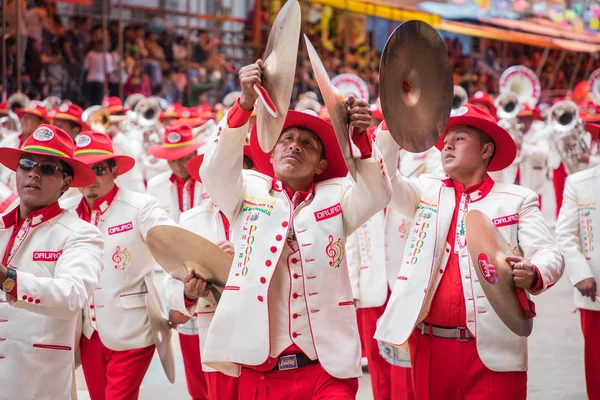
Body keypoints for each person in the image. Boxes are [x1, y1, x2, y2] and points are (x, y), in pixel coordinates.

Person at [194, 60, 391, 398]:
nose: (295, 145)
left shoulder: (338, 197)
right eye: (286, 139)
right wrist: (243, 104)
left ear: (322, 165)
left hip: (326, 370)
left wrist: (360, 137)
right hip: (262, 370)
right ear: (270, 156)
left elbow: (377, 193)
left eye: (307, 144)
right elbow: (213, 171)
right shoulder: (246, 191)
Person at [375, 104, 564, 399]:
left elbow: (550, 253)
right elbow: (384, 182)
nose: (447, 145)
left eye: (460, 138)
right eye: (445, 141)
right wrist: (388, 126)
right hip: (430, 346)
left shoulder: (517, 199)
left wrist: (534, 272)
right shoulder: (426, 189)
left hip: (496, 346)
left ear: (487, 149)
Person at [60, 131, 176, 400]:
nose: (91, 179)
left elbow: (173, 244)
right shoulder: (65, 210)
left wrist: (186, 295)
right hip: (86, 332)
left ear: (114, 170)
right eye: (84, 172)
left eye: (99, 169)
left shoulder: (141, 206)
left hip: (133, 327)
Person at [0, 124, 103, 399]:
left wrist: (7, 278)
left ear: (67, 183)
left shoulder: (81, 233)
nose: (33, 172)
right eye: (26, 164)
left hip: (37, 381)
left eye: (46, 168)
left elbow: (73, 294)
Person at [163, 147, 254, 400]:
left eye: (237, 167)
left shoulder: (272, 213)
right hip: (215, 337)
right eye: (216, 170)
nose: (226, 176)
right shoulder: (191, 219)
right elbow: (172, 279)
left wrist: (243, 259)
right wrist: (188, 293)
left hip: (263, 335)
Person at [555, 164, 600, 400]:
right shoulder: (579, 182)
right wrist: (581, 272)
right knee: (598, 365)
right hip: (596, 292)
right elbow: (565, 234)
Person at [146, 124, 207, 222]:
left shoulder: (210, 181)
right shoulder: (155, 186)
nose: (178, 166)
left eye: (184, 159)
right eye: (172, 160)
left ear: (195, 153)